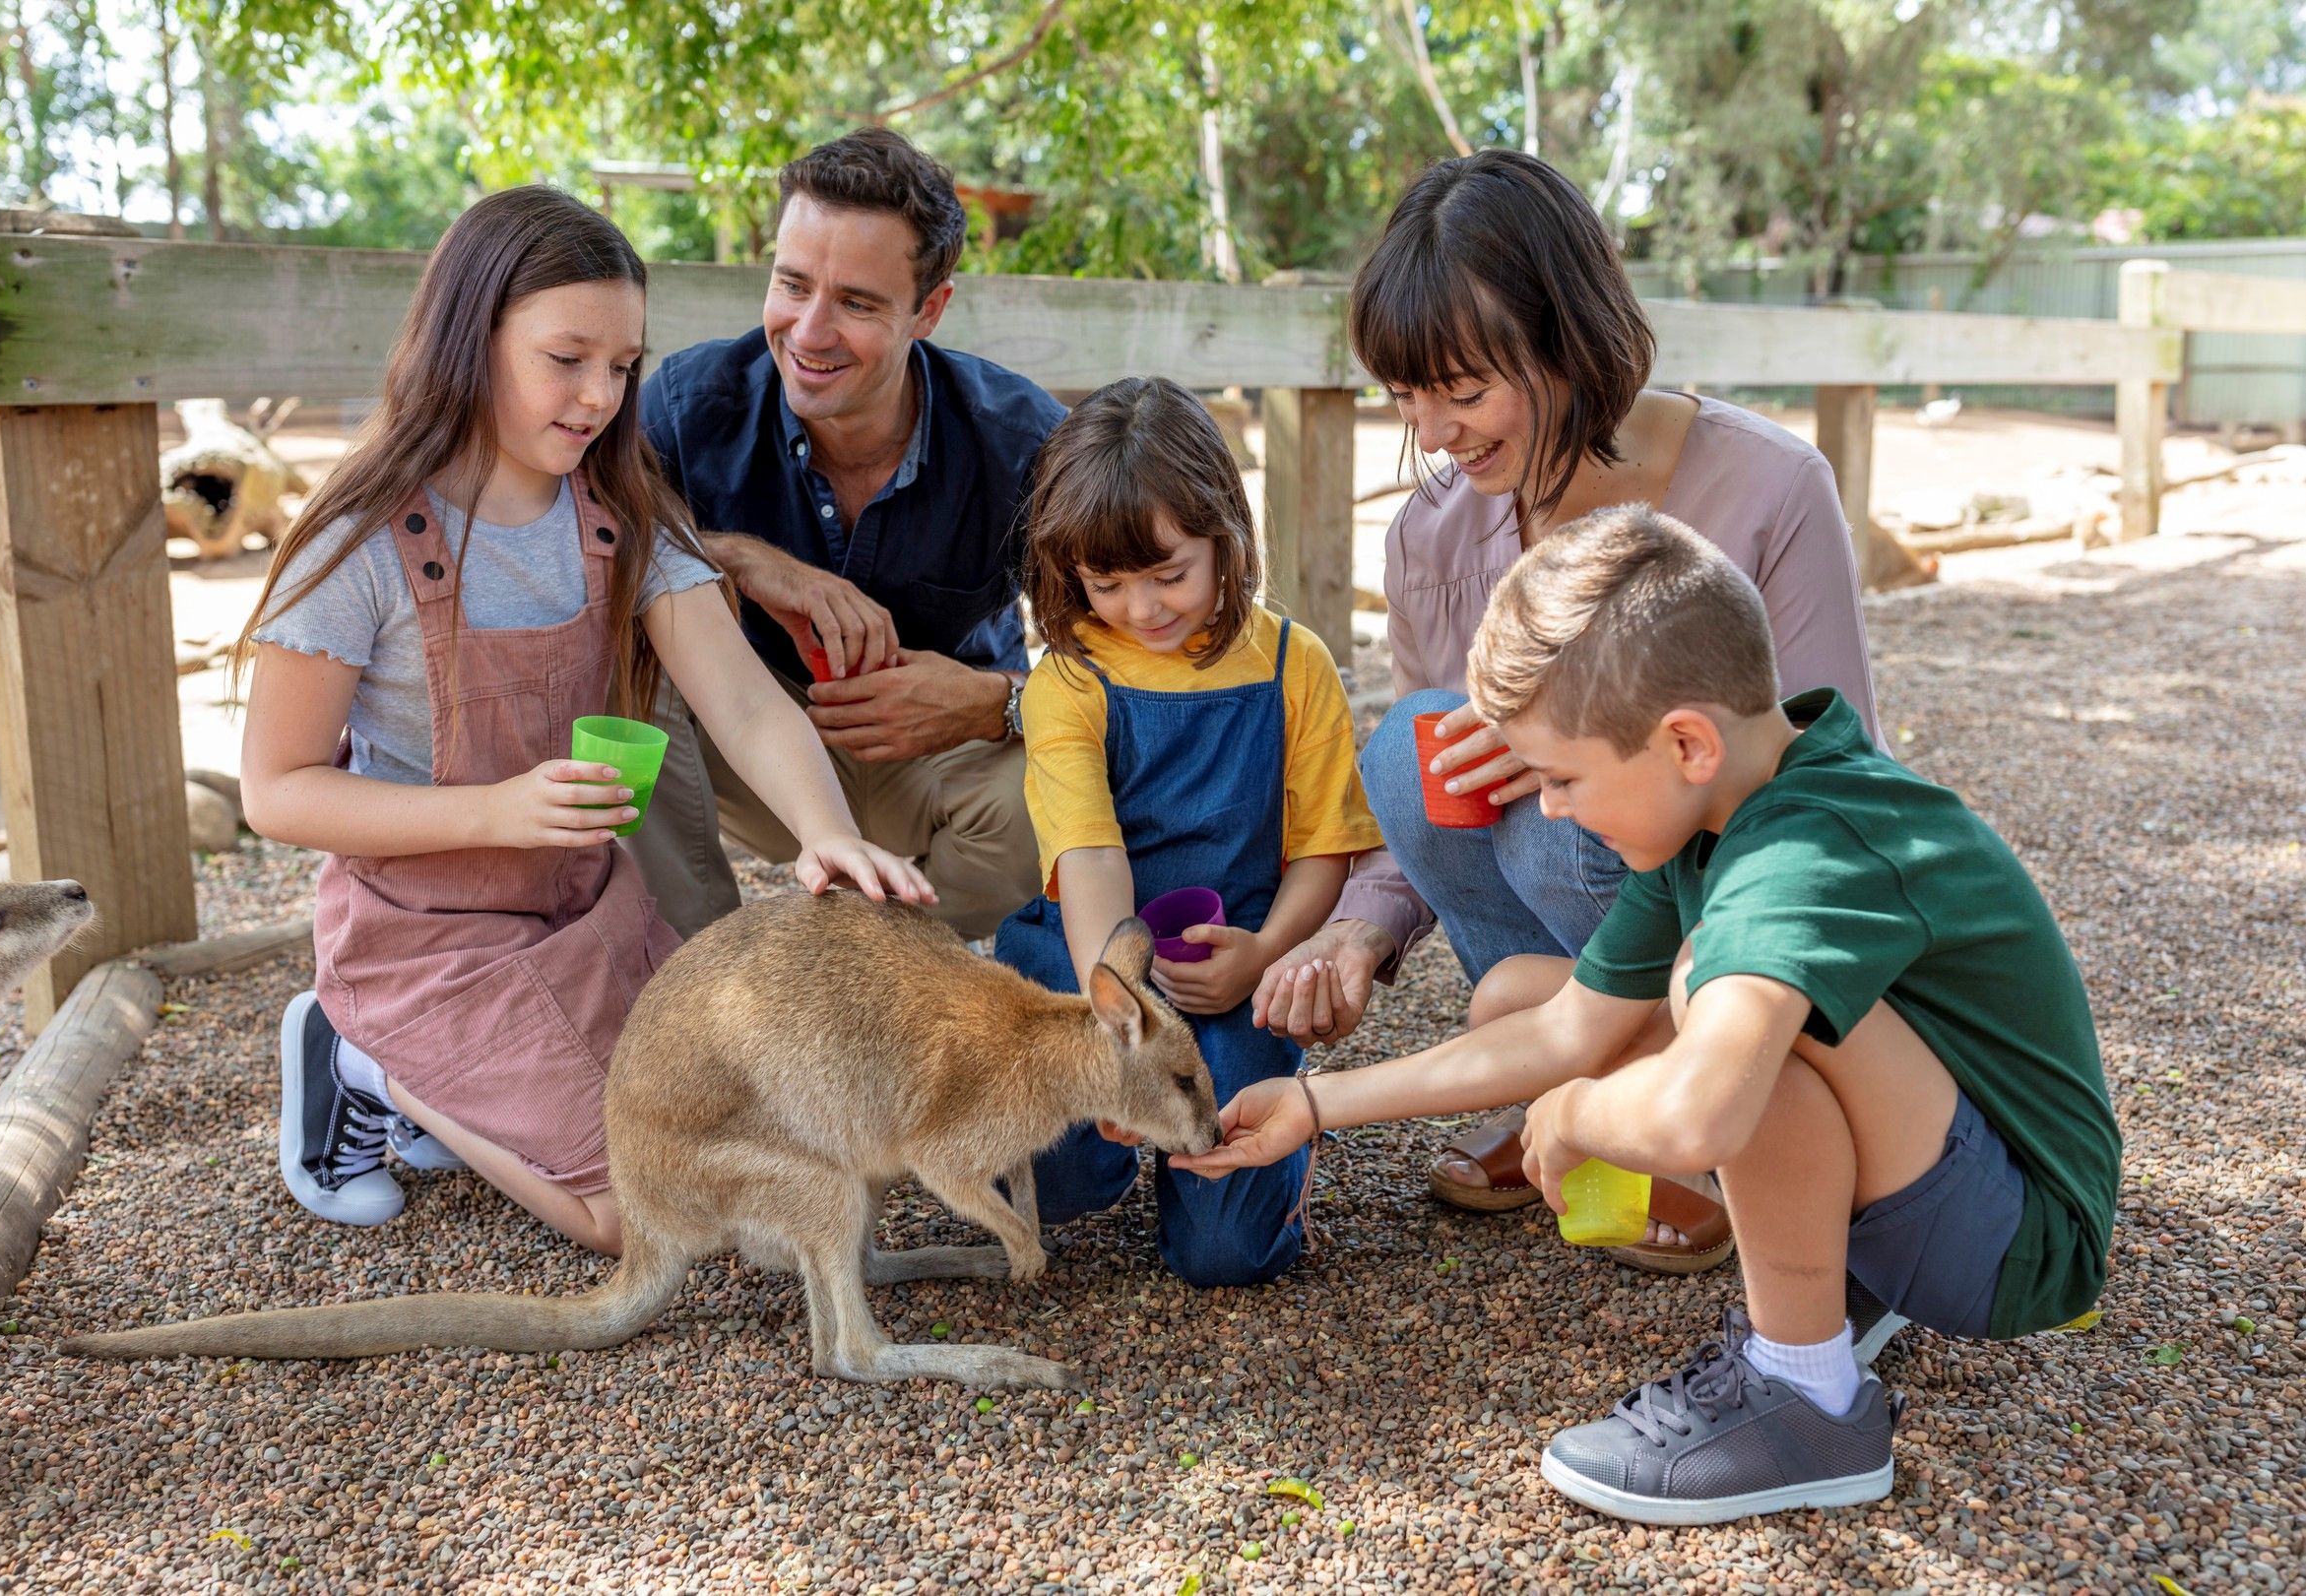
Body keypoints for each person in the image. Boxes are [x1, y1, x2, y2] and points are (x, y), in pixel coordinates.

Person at [1177, 506, 2119, 1524]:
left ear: (1684, 741)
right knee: (1528, 993)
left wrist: (1575, 1115)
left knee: (1713, 1001)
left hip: (2018, 1240)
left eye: (1563, 777)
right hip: (1940, 1177)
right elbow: (1559, 1030)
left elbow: (1696, 1119)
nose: (1548, 808)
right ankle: (1842, 1278)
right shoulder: (1720, 808)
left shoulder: (1800, 852)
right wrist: (1313, 1106)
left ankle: (1806, 1394)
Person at [236, 187, 932, 1253]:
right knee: (643, 1214)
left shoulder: (620, 518)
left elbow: (743, 699)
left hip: (588, 910)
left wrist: (825, 832)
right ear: (471, 338)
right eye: (567, 359)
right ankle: (362, 1054)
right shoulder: (358, 541)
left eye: (621, 366)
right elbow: (276, 790)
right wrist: (495, 813)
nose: (600, 396)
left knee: (761, 1143)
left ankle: (459, 1089)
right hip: (423, 939)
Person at [1250, 148, 1887, 1273]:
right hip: (1586, 914)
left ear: (1571, 341)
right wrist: (1362, 925)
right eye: (1404, 394)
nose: (1434, 432)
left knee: (1571, 798)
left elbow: (1840, 791)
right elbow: (1432, 795)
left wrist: (1580, 744)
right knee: (1411, 747)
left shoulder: (1770, 487)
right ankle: (1563, 1090)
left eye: (1462, 389)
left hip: (1722, 918)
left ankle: (1695, 1122)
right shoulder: (1434, 531)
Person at [993, 378, 1383, 1288]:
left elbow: (1324, 845)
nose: (1143, 607)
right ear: (1068, 573)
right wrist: (1120, 1026)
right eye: (1107, 583)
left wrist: (1266, 955)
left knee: (1225, 1255)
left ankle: (1270, 1173)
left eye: (1169, 572)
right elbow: (1088, 857)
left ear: (1224, 536)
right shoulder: (1069, 680)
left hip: (1238, 955)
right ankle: (1104, 1150)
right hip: (1092, 960)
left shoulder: (1294, 661)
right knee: (1053, 1181)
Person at [631, 128, 1063, 942]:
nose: (809, 331)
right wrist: (743, 562)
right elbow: (583, 545)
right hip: (755, 745)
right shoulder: (688, 407)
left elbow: (1136, 667)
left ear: (928, 310)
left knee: (1066, 780)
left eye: (857, 303)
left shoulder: (1027, 441)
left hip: (948, 760)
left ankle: (847, 966)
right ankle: (694, 973)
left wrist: (993, 701)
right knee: (621, 656)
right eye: (792, 285)